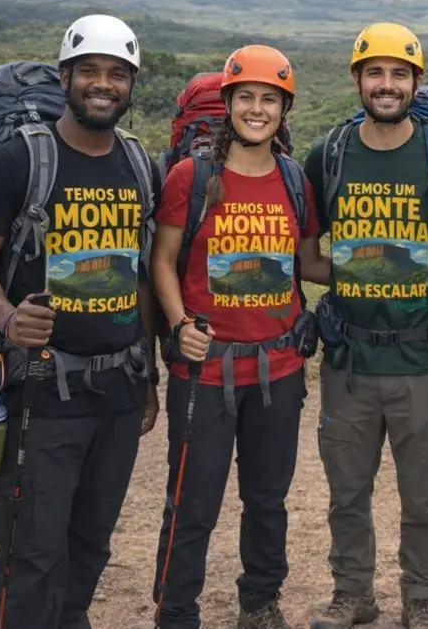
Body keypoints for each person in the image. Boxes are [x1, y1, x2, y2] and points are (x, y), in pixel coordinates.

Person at [0, 14, 162, 629]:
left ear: (130, 85)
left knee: (90, 547)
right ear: (65, 78)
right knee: (30, 555)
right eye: (90, 73)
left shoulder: (137, 164)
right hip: (39, 395)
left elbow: (137, 275)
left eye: (116, 74)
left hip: (116, 391)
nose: (102, 85)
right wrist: (5, 318)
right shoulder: (20, 161)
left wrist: (149, 375)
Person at [304, 22, 428, 629]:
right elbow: (306, 255)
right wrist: (362, 271)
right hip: (349, 361)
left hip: (422, 361)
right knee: (346, 492)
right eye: (374, 72)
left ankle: (421, 597)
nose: (386, 84)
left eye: (398, 74)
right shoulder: (327, 154)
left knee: (425, 492)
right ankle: (354, 592)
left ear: (415, 82)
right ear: (356, 79)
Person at [150, 44, 330, 629]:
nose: (257, 109)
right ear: (227, 105)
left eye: (269, 100)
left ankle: (260, 601)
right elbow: (164, 259)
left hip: (278, 369)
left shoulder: (293, 179)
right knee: (192, 502)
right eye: (246, 97)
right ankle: (176, 611)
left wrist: (399, 268)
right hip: (204, 370)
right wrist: (180, 326)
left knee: (267, 500)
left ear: (284, 109)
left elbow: (308, 262)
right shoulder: (192, 176)